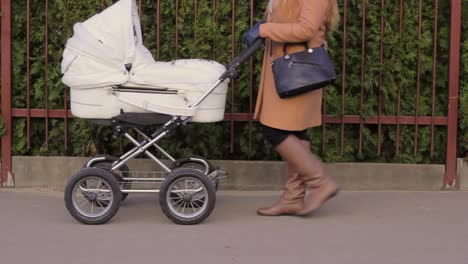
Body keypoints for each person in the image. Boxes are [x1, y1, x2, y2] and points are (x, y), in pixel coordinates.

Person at [242, 0, 340, 216]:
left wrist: (265, 29)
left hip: (299, 70)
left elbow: (306, 29)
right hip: (290, 69)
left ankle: (320, 182)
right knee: (295, 132)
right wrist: (266, 24)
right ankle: (293, 198)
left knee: (275, 131)